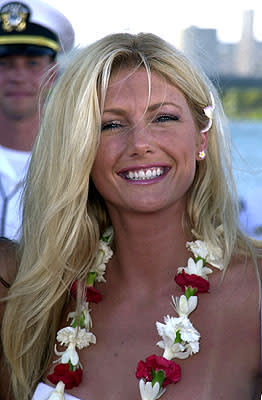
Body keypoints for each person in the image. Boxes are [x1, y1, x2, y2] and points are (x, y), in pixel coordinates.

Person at [0, 32, 261, 400]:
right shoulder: (35, 293)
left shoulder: (256, 294)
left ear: (202, 139)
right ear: (80, 148)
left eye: (164, 118)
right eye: (111, 124)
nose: (140, 143)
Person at [0, 0, 75, 240]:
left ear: (53, 71)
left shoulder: (78, 160)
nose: (18, 77)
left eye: (32, 63)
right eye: (4, 64)